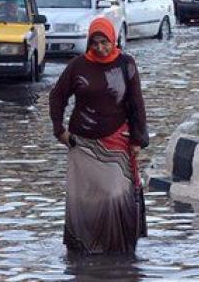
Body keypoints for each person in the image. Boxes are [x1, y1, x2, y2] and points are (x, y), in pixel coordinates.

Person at [49, 17, 148, 255]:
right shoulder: (78, 66)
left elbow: (136, 103)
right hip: (82, 143)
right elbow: (57, 96)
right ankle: (85, 248)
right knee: (86, 197)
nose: (100, 48)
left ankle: (118, 249)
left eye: (104, 42)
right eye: (95, 43)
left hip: (117, 140)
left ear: (113, 40)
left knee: (115, 193)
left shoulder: (126, 64)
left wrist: (137, 139)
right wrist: (59, 130)